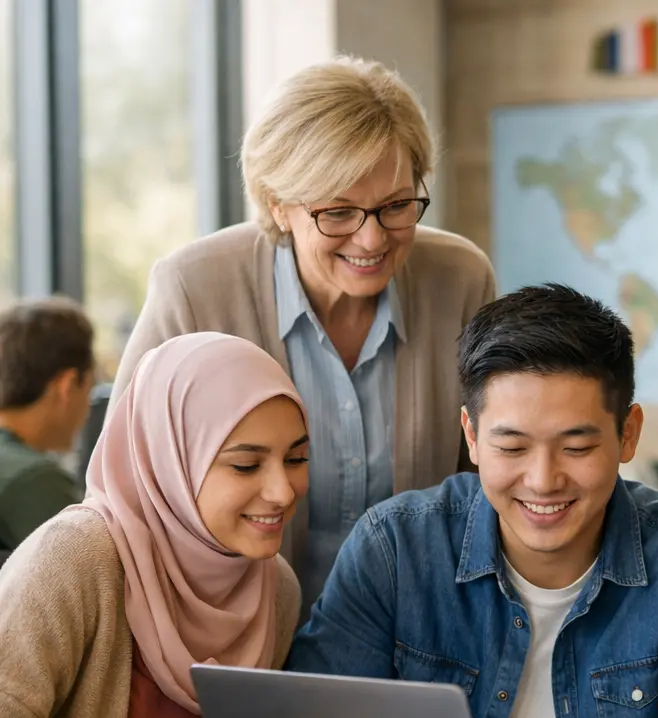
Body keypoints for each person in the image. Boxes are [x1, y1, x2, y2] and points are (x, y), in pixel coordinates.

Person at [286, 284, 658, 718]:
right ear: (472, 436)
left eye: (577, 447)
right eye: (512, 447)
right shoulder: (395, 546)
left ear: (628, 434)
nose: (543, 480)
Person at [114, 57, 497, 605]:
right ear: (278, 205)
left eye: (395, 206)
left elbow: (485, 477)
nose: (371, 240)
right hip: (236, 632)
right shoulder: (194, 288)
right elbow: (126, 491)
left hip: (415, 636)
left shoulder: (460, 280)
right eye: (337, 213)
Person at [0, 334, 308, 718]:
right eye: (246, 465)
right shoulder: (76, 557)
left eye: (296, 459)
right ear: (170, 461)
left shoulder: (276, 587)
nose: (282, 492)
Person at [0, 298, 95, 553]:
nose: (88, 408)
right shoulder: (34, 480)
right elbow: (93, 566)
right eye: (89, 388)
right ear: (67, 385)